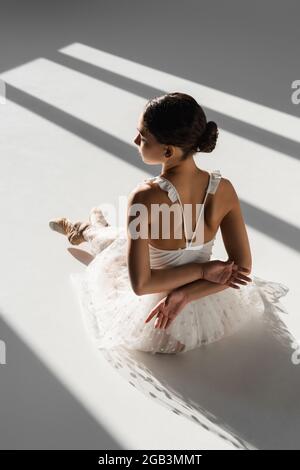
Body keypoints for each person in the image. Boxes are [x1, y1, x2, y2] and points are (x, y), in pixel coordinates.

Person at [49, 92, 289, 355]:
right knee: (122, 240)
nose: (135, 140)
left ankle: (84, 229)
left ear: (167, 150)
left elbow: (141, 285)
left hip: (155, 323)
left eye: (143, 136)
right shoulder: (224, 189)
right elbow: (242, 269)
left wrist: (198, 275)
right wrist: (191, 288)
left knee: (116, 248)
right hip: (212, 314)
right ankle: (93, 226)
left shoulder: (145, 195)